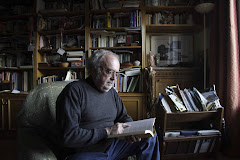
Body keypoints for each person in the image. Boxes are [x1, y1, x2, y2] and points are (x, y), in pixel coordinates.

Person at [56, 49, 160, 160]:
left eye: (117, 73)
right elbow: (69, 136)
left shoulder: (112, 92)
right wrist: (107, 131)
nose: (114, 78)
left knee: (150, 138)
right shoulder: (74, 91)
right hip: (86, 152)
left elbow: (123, 117)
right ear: (94, 69)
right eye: (109, 72)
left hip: (113, 146)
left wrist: (133, 131)